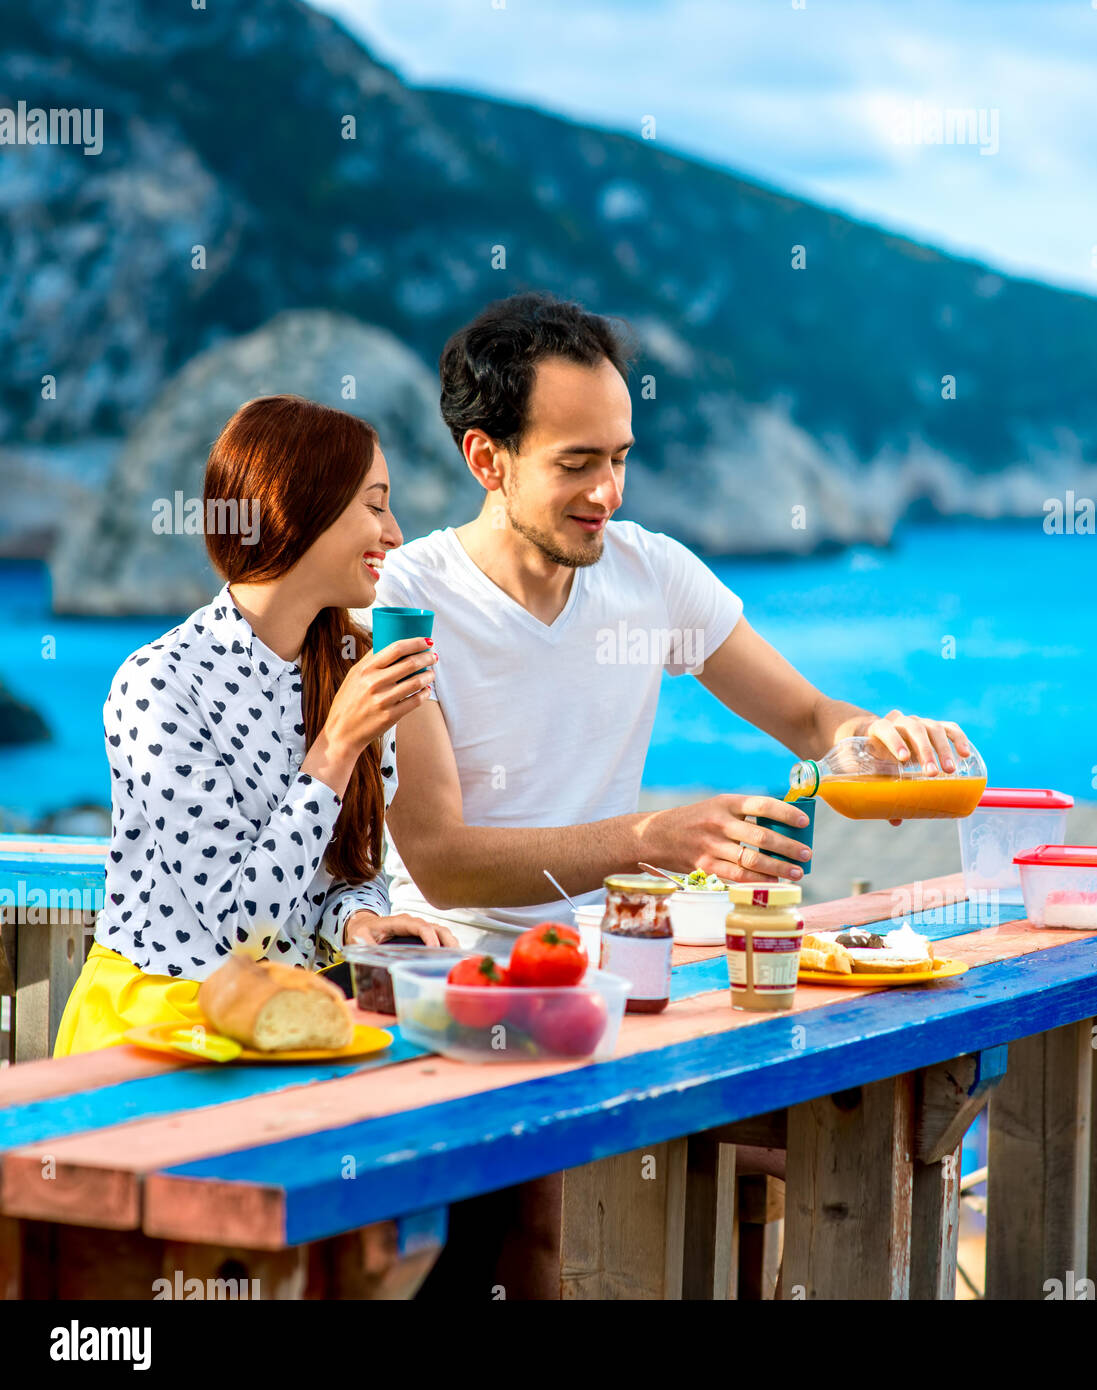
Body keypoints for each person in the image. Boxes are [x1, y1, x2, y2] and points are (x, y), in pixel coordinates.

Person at [368, 292, 972, 1298]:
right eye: (575, 463)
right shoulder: (403, 601)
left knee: (805, 1146)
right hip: (450, 997)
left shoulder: (652, 575)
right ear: (487, 459)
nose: (607, 490)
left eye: (619, 456)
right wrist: (654, 834)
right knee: (527, 1232)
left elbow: (812, 720)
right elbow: (438, 852)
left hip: (611, 989)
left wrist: (879, 742)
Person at [53, 395, 458, 1056]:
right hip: (158, 1028)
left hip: (290, 1018)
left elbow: (348, 866)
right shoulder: (159, 684)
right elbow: (243, 926)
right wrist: (337, 744)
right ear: (301, 512)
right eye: (376, 504)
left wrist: (360, 921)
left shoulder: (350, 663)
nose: (394, 534)